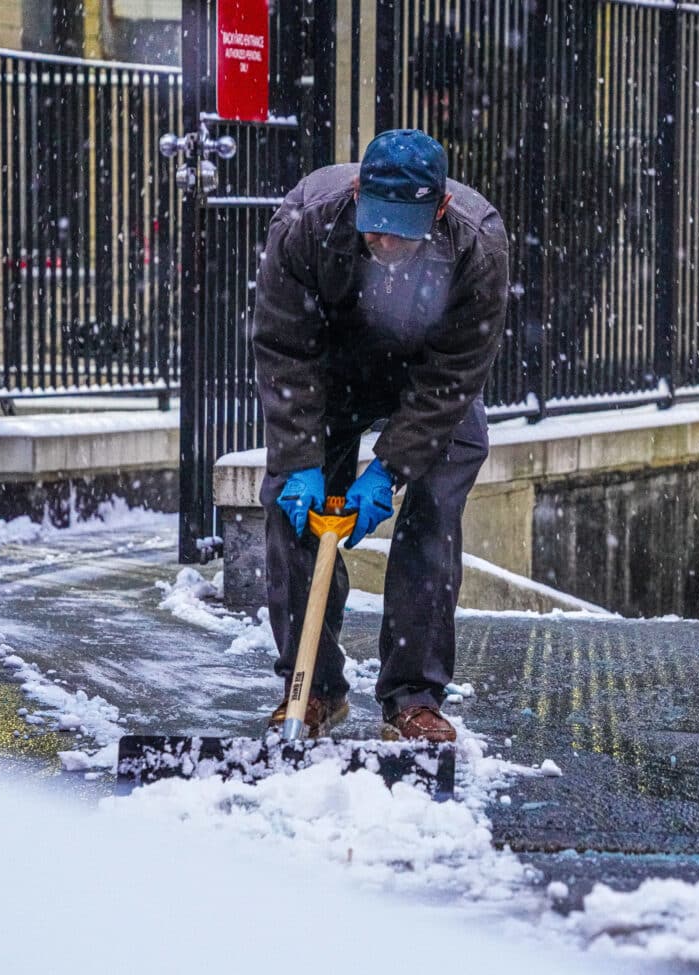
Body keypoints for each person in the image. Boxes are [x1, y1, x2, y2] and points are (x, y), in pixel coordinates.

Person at [251, 129, 509, 743]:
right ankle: (310, 688)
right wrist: (301, 460)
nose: (386, 240)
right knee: (289, 515)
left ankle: (413, 698)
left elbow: (453, 378)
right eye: (376, 223)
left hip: (428, 382)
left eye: (403, 228)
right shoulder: (306, 222)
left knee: (434, 515)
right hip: (330, 377)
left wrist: (389, 468)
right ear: (360, 193)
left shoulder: (478, 245)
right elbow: (284, 349)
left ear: (439, 210)